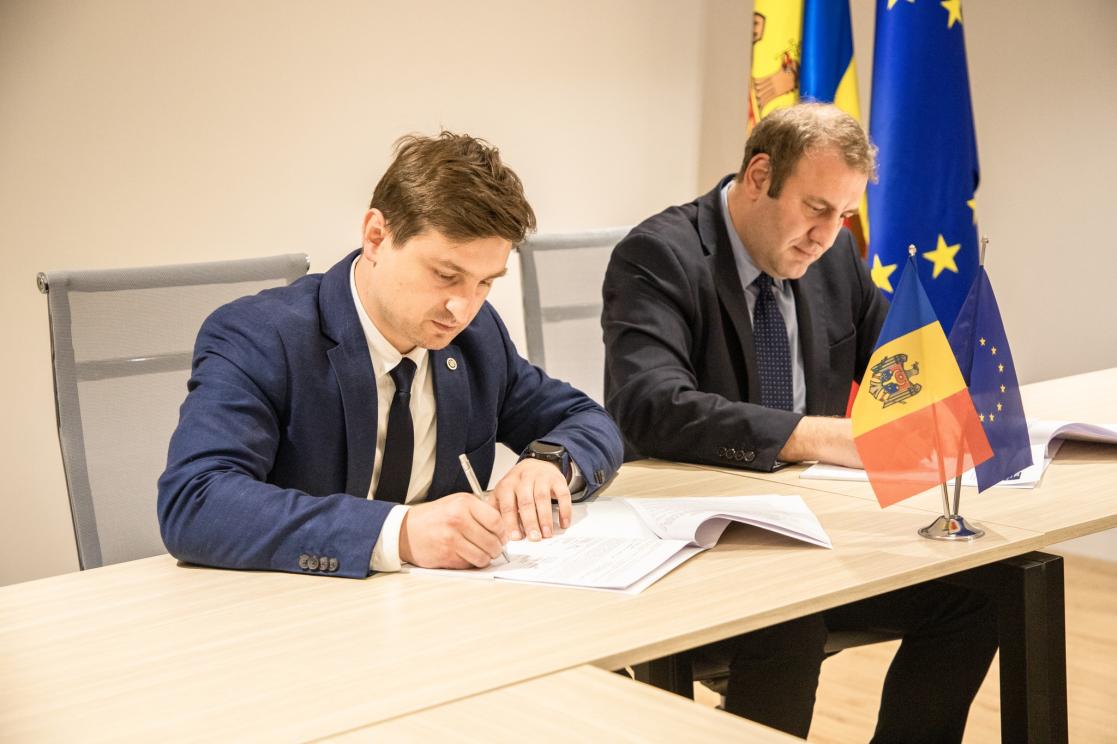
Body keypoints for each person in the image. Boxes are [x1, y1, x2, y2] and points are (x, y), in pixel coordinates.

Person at [602, 103, 996, 742]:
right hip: (698, 543)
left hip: (811, 532)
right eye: (817, 209)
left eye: (844, 216)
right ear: (759, 176)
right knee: (792, 618)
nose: (828, 233)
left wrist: (951, 389)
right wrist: (817, 434)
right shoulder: (660, 255)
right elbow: (650, 403)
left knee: (984, 592)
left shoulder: (834, 258)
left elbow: (903, 357)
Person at [158, 131, 623, 578]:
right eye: (445, 274)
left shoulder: (476, 337)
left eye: (485, 282)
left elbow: (587, 419)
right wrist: (400, 534)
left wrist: (550, 460)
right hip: (293, 618)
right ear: (377, 236)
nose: (463, 308)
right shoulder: (260, 336)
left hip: (439, 612)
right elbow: (196, 501)